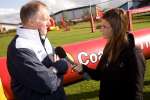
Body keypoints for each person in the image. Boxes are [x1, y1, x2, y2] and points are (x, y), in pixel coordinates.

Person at [74, 8, 146, 100]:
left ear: (116, 28)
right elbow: (99, 74)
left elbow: (136, 93)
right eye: (101, 26)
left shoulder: (134, 54)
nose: (101, 29)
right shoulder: (108, 48)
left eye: (104, 27)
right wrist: (84, 68)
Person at [7, 1, 68, 100]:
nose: (49, 23)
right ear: (31, 22)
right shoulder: (19, 48)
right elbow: (47, 84)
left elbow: (64, 64)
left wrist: (55, 69)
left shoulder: (42, 38)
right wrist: (56, 69)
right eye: (45, 19)